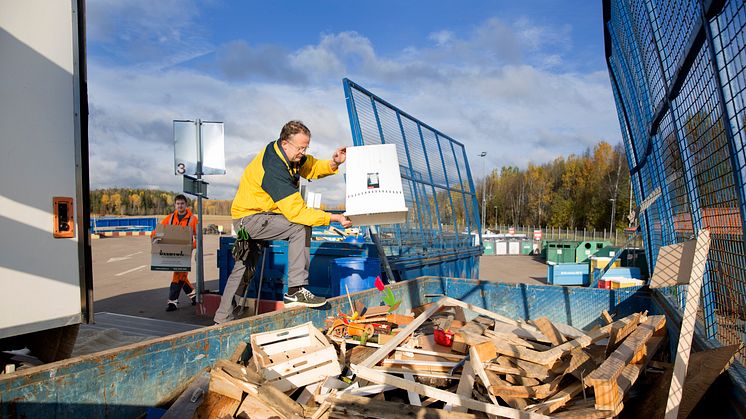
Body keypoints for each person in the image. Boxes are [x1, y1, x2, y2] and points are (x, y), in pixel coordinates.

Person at [214, 120, 352, 324]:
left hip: (263, 216)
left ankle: (222, 319)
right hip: (250, 219)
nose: (303, 152)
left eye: (306, 148)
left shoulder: (290, 155)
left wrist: (334, 162)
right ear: (285, 143)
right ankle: (296, 289)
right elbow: (297, 212)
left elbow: (312, 167)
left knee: (244, 266)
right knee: (300, 226)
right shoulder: (274, 167)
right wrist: (334, 217)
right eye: (300, 148)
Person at [152, 194, 198, 312]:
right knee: (181, 274)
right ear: (175, 205)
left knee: (178, 275)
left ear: (186, 205)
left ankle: (172, 302)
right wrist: (154, 237)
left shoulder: (193, 220)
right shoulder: (170, 218)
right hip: (173, 252)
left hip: (186, 253)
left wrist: (192, 246)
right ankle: (194, 296)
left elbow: (199, 238)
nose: (180, 206)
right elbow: (159, 230)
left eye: (182, 203)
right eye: (178, 204)